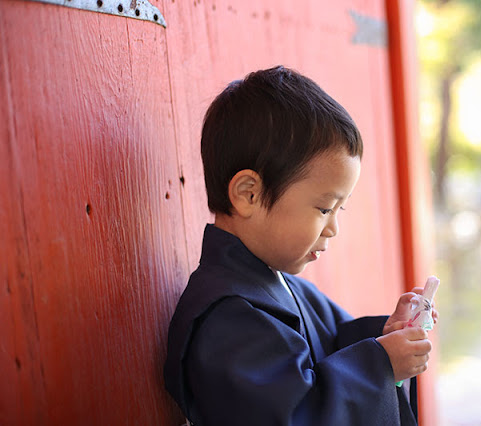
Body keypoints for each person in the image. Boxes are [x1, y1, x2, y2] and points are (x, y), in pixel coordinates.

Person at [164, 66, 434, 426]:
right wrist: (379, 365)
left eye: (340, 209)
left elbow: (337, 343)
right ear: (249, 194)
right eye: (324, 208)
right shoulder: (227, 318)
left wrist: (387, 338)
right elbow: (292, 416)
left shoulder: (286, 288)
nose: (333, 228)